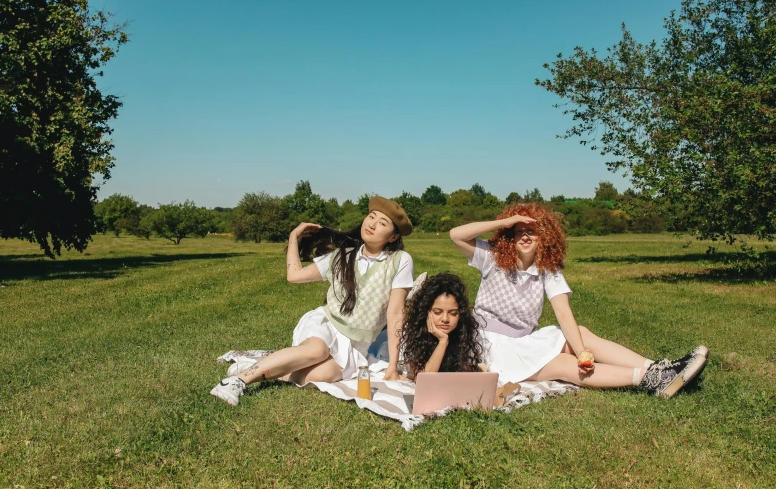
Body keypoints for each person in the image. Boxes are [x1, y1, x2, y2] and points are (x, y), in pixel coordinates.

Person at [449, 203, 708, 398]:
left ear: (544, 238)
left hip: (524, 340)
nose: (526, 236)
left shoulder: (547, 270)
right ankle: (648, 380)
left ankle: (661, 369)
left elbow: (563, 312)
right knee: (563, 365)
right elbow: (456, 235)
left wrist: (582, 349)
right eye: (519, 232)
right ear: (510, 237)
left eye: (532, 231)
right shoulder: (492, 259)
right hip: (488, 343)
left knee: (580, 335)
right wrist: (508, 220)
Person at [211, 196, 414, 406]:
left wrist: (392, 367)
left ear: (393, 237)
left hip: (357, 344)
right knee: (317, 351)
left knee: (322, 374)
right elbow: (294, 276)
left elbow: (395, 312)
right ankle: (237, 381)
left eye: (382, 223)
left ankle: (258, 367)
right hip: (327, 325)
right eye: (371, 216)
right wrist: (293, 239)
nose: (372, 223)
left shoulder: (400, 261)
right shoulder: (341, 256)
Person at [399, 273, 484, 379]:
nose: (445, 319)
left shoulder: (464, 335)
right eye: (438, 312)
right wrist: (443, 341)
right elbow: (424, 380)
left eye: (453, 313)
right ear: (426, 312)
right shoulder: (415, 335)